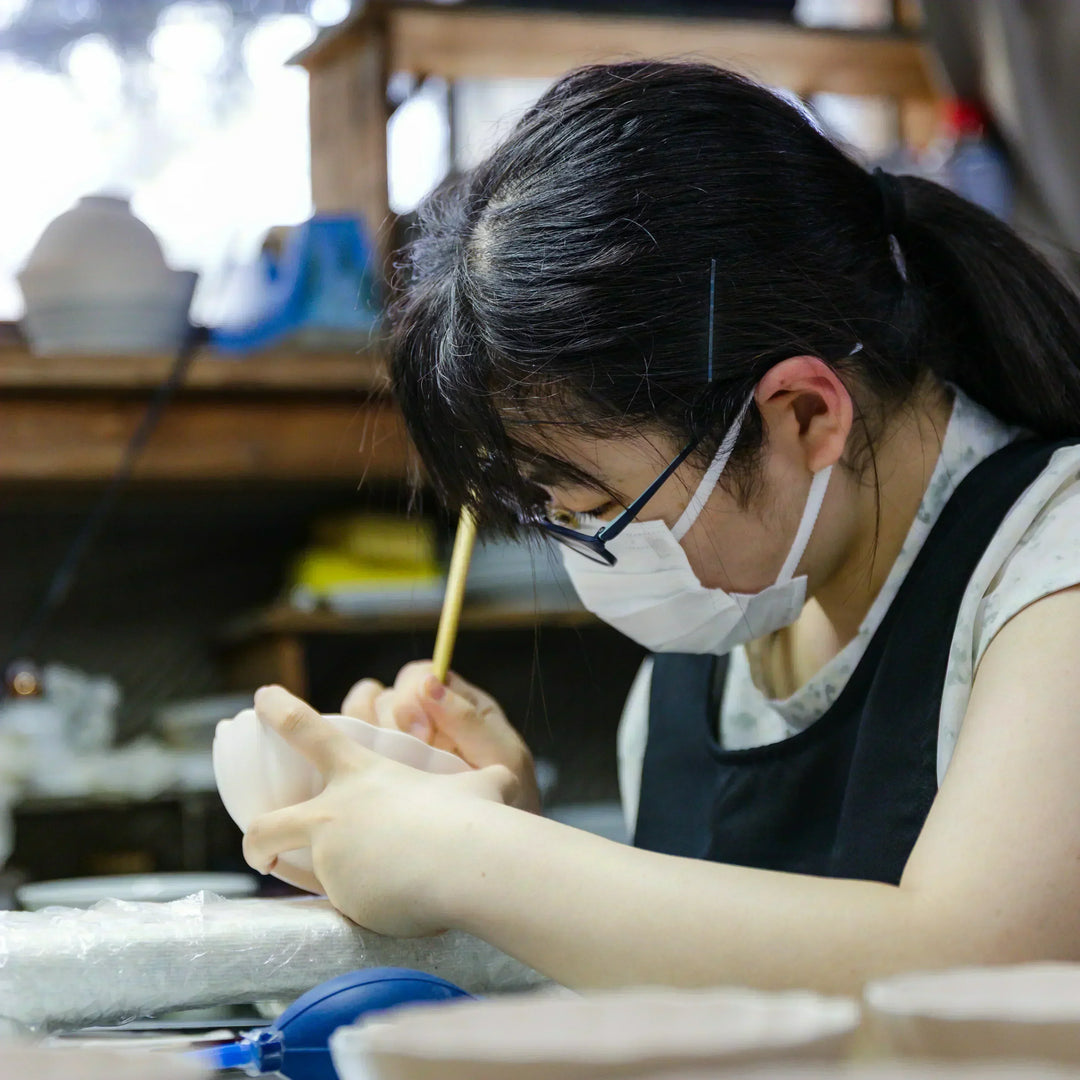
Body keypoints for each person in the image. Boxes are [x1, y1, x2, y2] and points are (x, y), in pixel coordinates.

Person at [243, 61, 1080, 992]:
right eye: (549, 516)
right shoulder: (717, 643)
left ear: (803, 414)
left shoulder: (1053, 564)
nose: (590, 561)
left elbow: (973, 964)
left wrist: (476, 860)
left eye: (598, 510)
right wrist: (507, 847)